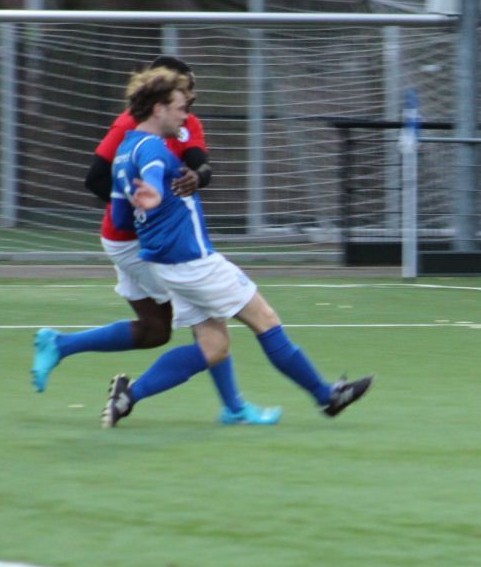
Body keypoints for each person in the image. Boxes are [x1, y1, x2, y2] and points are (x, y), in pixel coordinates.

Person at [101, 65, 372, 428]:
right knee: (266, 320)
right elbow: (151, 173)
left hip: (168, 265)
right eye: (180, 108)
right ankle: (327, 397)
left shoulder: (125, 150)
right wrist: (153, 193)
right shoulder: (151, 147)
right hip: (194, 262)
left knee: (213, 348)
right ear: (158, 109)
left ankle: (128, 396)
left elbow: (120, 219)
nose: (185, 116)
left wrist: (150, 208)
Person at [32, 56, 279, 426]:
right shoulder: (130, 126)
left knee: (155, 330)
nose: (191, 100)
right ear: (163, 95)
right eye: (186, 91)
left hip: (150, 239)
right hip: (133, 241)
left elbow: (201, 165)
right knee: (207, 321)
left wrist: (198, 177)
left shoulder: (187, 122)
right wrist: (144, 212)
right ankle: (233, 408)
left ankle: (60, 344)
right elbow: (95, 178)